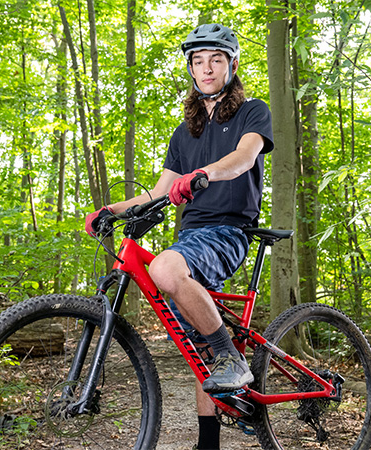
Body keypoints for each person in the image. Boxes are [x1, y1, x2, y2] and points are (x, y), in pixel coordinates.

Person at [85, 23, 274, 450]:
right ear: (191, 68)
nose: (206, 68)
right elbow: (157, 193)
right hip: (194, 235)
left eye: (216, 59)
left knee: (166, 266)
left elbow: (245, 157)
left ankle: (233, 359)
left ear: (232, 64)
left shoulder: (252, 111)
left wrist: (205, 174)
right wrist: (110, 210)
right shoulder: (183, 132)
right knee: (195, 342)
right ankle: (209, 442)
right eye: (198, 61)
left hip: (229, 231)